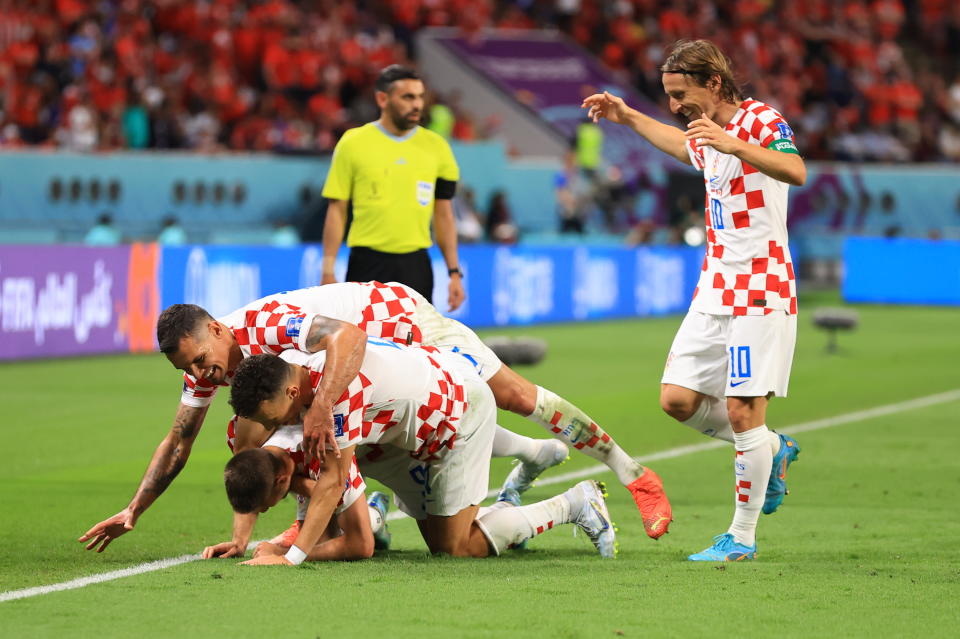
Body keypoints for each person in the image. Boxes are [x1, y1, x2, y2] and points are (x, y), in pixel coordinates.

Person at [77, 285, 572, 553]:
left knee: (343, 437)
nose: (197, 373)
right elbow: (180, 439)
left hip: (389, 339)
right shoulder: (209, 371)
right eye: (185, 368)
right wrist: (134, 510)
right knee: (252, 434)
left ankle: (355, 524)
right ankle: (364, 516)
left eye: (198, 358)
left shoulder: (268, 327)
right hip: (361, 390)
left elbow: (348, 341)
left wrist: (295, 554)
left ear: (216, 328)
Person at [582, 39, 804, 561]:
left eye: (682, 94)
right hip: (715, 285)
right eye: (669, 95)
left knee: (743, 408)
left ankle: (741, 539)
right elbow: (687, 149)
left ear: (715, 84)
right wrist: (627, 115)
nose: (676, 106)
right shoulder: (702, 132)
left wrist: (734, 145)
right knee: (676, 400)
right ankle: (772, 448)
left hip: (761, 285)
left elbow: (795, 171)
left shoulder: (759, 120)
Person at [229, 347, 616, 563]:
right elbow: (323, 514)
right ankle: (531, 457)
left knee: (456, 546)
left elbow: (350, 535)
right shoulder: (292, 379)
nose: (276, 426)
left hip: (458, 414)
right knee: (437, 530)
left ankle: (574, 504)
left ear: (291, 395)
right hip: (409, 422)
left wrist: (291, 556)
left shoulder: (331, 412)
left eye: (273, 418)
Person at [320, 65, 465, 311]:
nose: (417, 104)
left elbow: (444, 214)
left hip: (416, 263)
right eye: (408, 97)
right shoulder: (353, 143)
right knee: (363, 344)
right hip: (366, 262)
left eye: (420, 97)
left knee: (414, 346)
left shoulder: (438, 147)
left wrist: (454, 273)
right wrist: (328, 270)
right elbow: (337, 210)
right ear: (382, 99)